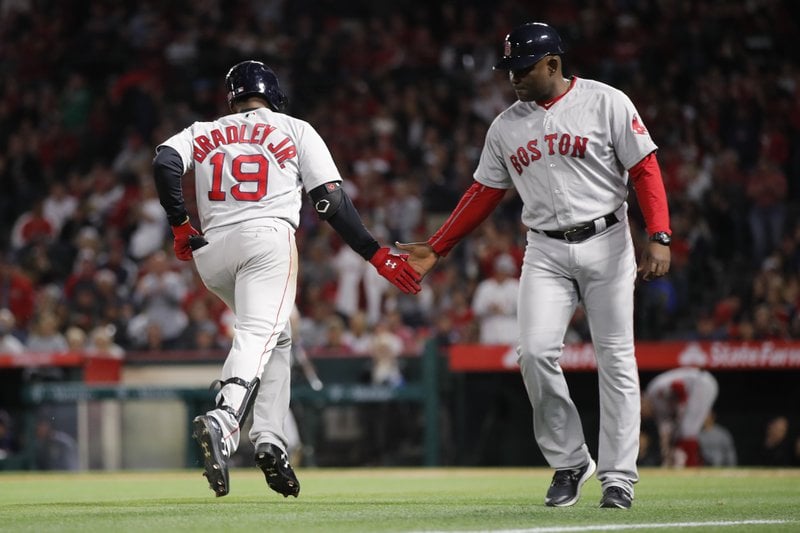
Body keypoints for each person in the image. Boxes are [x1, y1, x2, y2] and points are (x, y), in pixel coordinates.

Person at [398, 22, 671, 509]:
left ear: (553, 64)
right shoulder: (505, 125)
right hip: (544, 249)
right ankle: (570, 461)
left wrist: (659, 234)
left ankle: (619, 477)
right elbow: (483, 192)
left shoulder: (606, 102)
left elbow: (644, 168)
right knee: (533, 352)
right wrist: (439, 247)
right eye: (508, 70)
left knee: (616, 359)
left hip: (608, 240)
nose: (513, 78)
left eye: (522, 69)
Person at [152, 60, 420, 498]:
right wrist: (373, 253)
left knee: (277, 336)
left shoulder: (203, 130)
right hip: (265, 239)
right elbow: (329, 201)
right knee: (259, 332)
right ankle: (225, 417)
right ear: (273, 95)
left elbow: (164, 163)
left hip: (212, 252)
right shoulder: (294, 128)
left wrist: (181, 224)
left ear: (232, 99)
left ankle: (271, 440)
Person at [641, 367, 719, 468]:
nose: (644, 415)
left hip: (700, 384)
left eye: (642, 411)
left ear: (643, 402)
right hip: (693, 391)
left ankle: (691, 466)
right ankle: (684, 463)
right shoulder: (658, 412)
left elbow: (678, 386)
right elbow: (665, 432)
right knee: (682, 432)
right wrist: (666, 453)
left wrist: (681, 411)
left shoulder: (654, 391)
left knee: (687, 430)